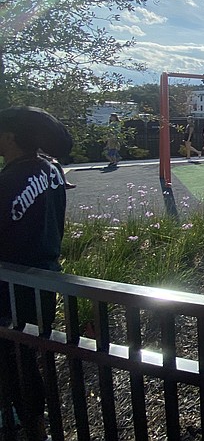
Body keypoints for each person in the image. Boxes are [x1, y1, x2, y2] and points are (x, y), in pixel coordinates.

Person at [0, 106, 72, 441]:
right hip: (46, 275)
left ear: (11, 137)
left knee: (15, 356)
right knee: (27, 352)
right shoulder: (52, 169)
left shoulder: (9, 179)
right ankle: (35, 423)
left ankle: (27, 422)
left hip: (12, 283)